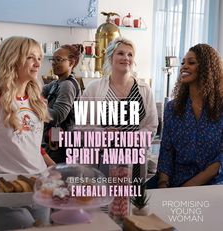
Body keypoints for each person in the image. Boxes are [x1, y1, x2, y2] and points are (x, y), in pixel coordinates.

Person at [81, 37, 158, 221]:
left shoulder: (144, 89)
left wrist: (128, 138)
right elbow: (81, 126)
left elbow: (151, 125)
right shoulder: (94, 89)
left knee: (131, 209)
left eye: (130, 54)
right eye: (121, 53)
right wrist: (102, 134)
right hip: (103, 160)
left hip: (134, 161)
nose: (126, 58)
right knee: (103, 209)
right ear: (110, 58)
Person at [0, 36, 53, 230]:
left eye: (39, 57)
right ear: (12, 59)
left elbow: (33, 145)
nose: (37, 63)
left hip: (40, 186)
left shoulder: (37, 100)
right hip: (5, 189)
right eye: (30, 57)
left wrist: (56, 168)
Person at [156, 43, 223, 188]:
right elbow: (167, 152)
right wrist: (163, 185)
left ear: (207, 69)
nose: (184, 66)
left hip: (214, 186)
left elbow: (220, 160)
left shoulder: (220, 108)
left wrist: (187, 188)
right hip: (177, 184)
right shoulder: (172, 108)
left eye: (191, 62)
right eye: (183, 63)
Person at [42, 44, 82, 163]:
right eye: (53, 59)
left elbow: (58, 115)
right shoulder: (56, 83)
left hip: (63, 143)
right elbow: (37, 94)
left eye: (59, 60)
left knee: (59, 176)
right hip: (55, 139)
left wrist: (38, 108)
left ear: (71, 63)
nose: (54, 63)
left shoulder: (67, 85)